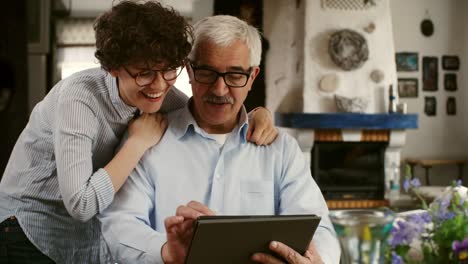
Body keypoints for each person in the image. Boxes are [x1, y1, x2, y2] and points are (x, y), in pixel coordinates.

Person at [0, 2, 276, 263]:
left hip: (85, 235)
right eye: (144, 73)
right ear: (113, 68)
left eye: (169, 70)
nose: (158, 85)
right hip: (27, 228)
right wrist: (138, 143)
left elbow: (208, 116)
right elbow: (81, 205)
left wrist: (255, 115)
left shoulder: (162, 94)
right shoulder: (79, 100)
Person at [99, 15, 340, 264]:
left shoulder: (281, 149)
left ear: (253, 77)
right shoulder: (147, 139)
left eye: (235, 75)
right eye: (207, 73)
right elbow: (119, 223)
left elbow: (319, 229)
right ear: (190, 71)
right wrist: (166, 252)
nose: (219, 90)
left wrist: (315, 260)